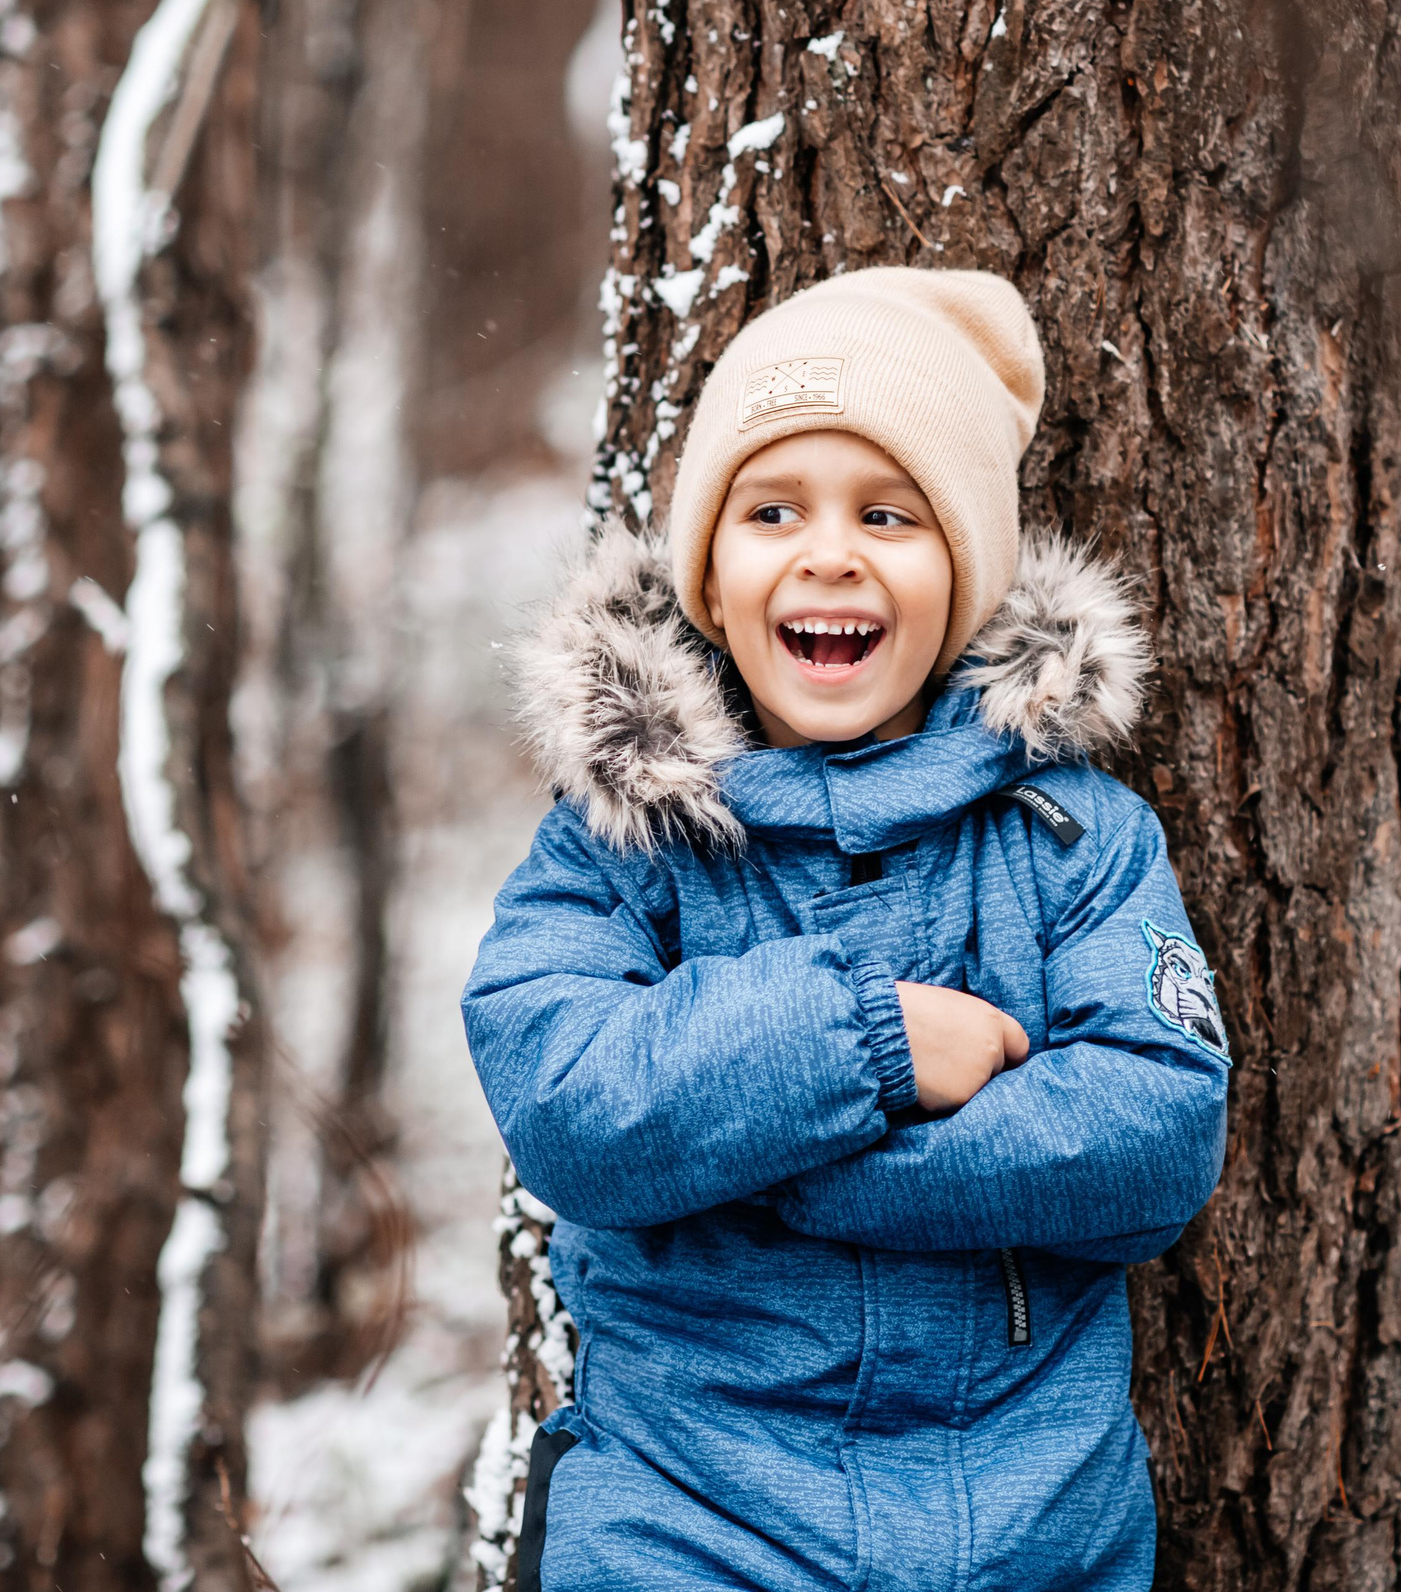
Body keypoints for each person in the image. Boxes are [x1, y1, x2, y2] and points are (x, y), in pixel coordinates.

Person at [462, 267, 1232, 1591]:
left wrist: (797, 1166)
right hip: (693, 1522)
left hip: (1031, 1528)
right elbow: (567, 1098)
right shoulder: (627, 839)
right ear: (709, 570)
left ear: (966, 569)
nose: (830, 553)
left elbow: (1155, 1129)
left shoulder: (1072, 836)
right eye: (773, 512)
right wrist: (865, 1047)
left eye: (890, 514)